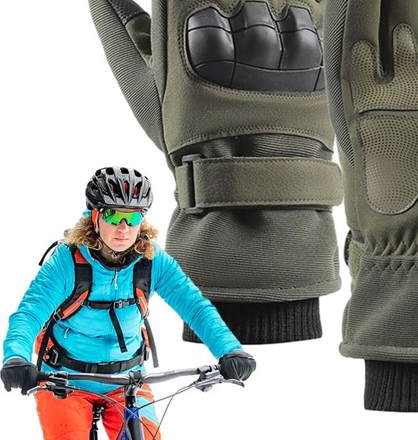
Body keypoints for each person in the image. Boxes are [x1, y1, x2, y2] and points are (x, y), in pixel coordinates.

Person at [1, 166, 255, 439]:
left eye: (133, 217)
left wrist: (230, 350)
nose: (124, 228)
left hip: (128, 381)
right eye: (113, 215)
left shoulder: (153, 261)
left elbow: (195, 307)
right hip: (64, 380)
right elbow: (29, 314)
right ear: (95, 216)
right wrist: (16, 356)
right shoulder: (67, 261)